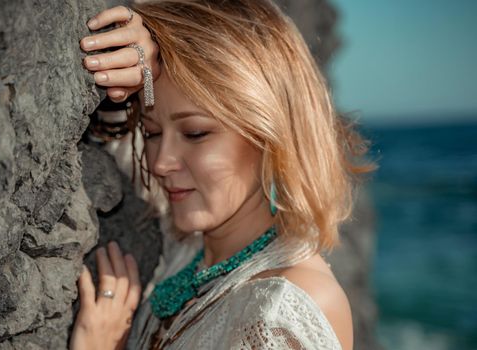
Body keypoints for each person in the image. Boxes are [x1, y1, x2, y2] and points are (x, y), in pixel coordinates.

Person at [71, 1, 373, 349]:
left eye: (196, 133)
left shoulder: (280, 312)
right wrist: (143, 53)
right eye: (152, 133)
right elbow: (112, 145)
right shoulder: (189, 253)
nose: (160, 163)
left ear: (268, 134)